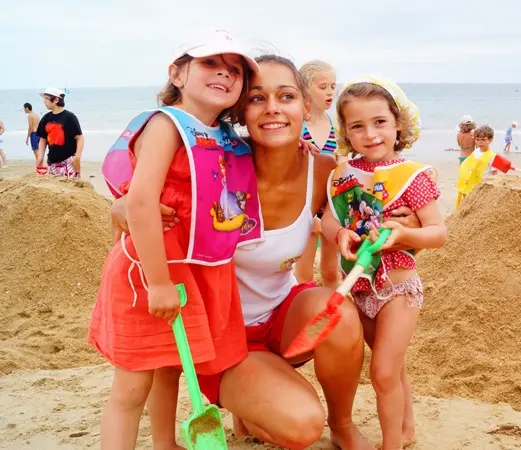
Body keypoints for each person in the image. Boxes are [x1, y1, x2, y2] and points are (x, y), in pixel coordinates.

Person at [112, 55, 422, 450]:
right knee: (303, 427)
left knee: (341, 314)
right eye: (258, 98)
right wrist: (120, 204)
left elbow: (368, 209)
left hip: (282, 316)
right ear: (242, 111)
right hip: (225, 338)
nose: (273, 108)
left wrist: (409, 222)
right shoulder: (216, 164)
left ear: (305, 107)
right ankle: (248, 399)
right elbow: (150, 186)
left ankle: (342, 425)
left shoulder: (324, 170)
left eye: (286, 96)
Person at [88, 28, 260, 449]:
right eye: (210, 63)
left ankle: (164, 443)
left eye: (235, 70)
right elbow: (140, 202)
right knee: (132, 385)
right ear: (177, 74)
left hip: (193, 270)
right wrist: (159, 282)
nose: (224, 73)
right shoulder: (167, 124)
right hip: (150, 271)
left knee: (169, 367)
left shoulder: (224, 136)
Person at [323, 75, 447, 450]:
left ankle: (392, 443)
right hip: (358, 288)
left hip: (398, 290)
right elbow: (329, 220)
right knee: (393, 367)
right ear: (346, 132)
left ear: (398, 124)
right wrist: (339, 234)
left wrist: (404, 234)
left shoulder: (413, 177)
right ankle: (406, 430)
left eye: (380, 122)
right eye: (357, 126)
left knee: (383, 372)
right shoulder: (342, 175)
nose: (371, 134)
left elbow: (438, 233)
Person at [294, 59, 340, 289]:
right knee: (304, 273)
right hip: (304, 203)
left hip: (331, 203)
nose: (330, 92)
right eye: (323, 87)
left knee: (331, 271)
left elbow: (341, 165)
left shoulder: (335, 124)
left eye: (333, 86)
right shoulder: (297, 123)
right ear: (305, 88)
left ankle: (333, 308)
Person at [34, 87, 84, 177]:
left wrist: (77, 157)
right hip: (52, 161)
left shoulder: (70, 117)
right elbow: (43, 139)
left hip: (68, 160)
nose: (44, 101)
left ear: (56, 100)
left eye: (46, 98)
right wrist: (40, 157)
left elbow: (80, 137)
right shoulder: (46, 118)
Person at [455, 125, 499, 208]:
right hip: (472, 185)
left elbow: (495, 174)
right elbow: (468, 166)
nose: (480, 142)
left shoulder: (493, 156)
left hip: (484, 187)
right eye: (477, 139)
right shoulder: (476, 151)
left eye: (483, 140)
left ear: (490, 140)